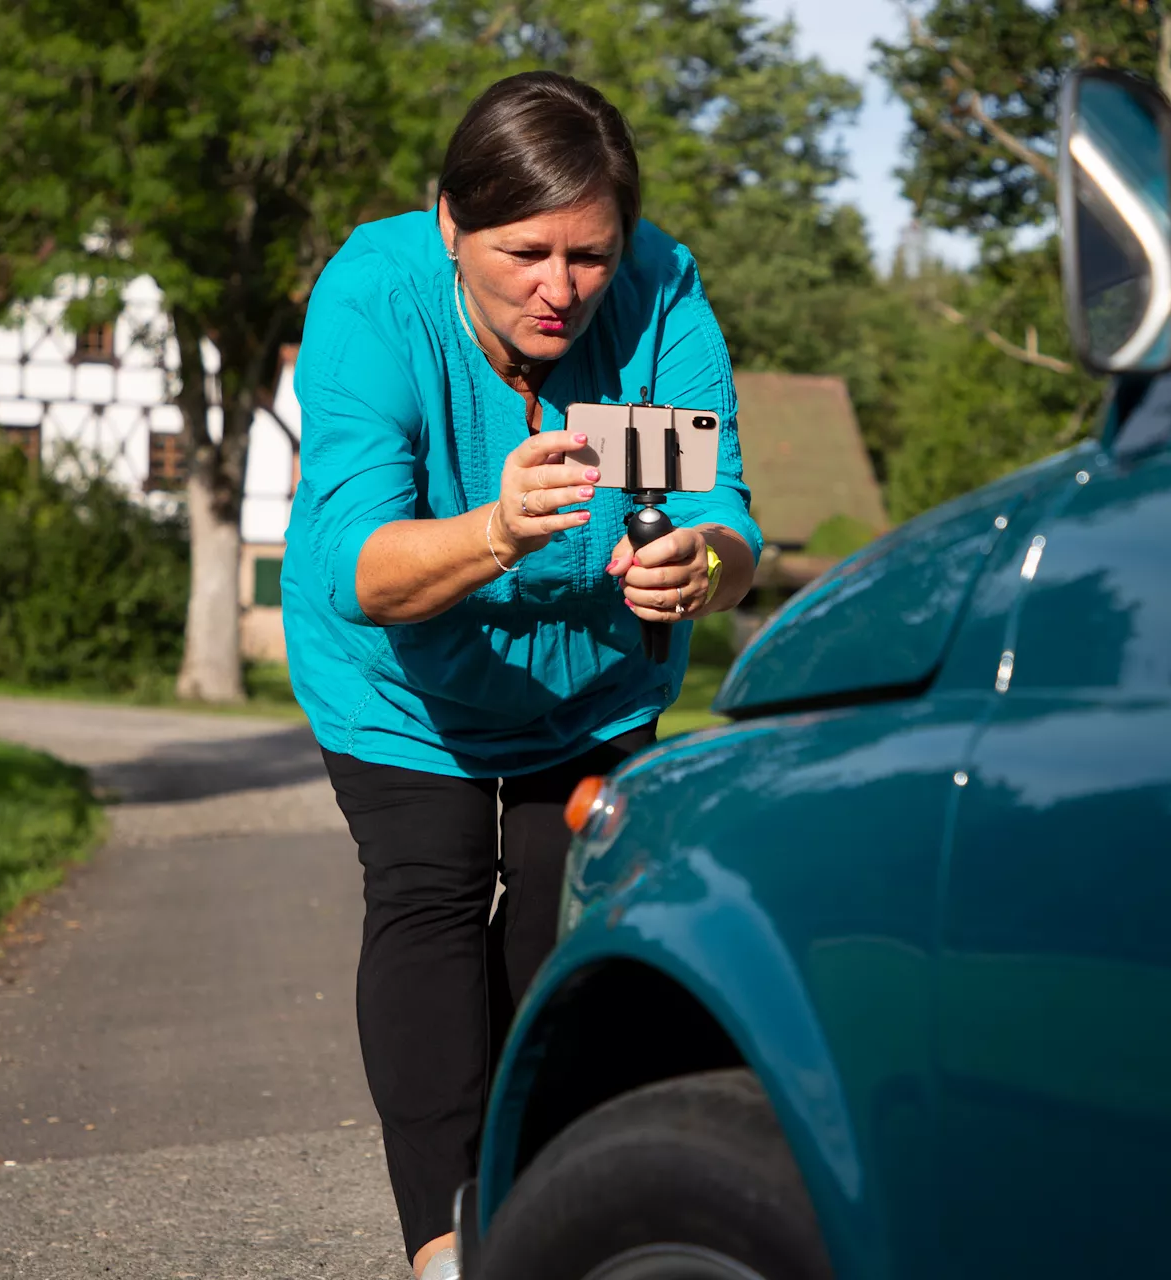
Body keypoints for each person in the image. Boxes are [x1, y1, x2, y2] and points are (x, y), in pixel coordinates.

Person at [281, 71, 759, 1280]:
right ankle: (444, 1246)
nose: (560, 289)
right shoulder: (374, 297)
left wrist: (702, 567)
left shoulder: (663, 291)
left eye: (590, 255)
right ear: (451, 223)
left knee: (562, 917)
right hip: (402, 678)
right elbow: (358, 568)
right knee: (432, 891)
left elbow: (732, 522)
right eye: (525, 250)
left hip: (592, 677)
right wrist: (497, 528)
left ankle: (540, 1205)